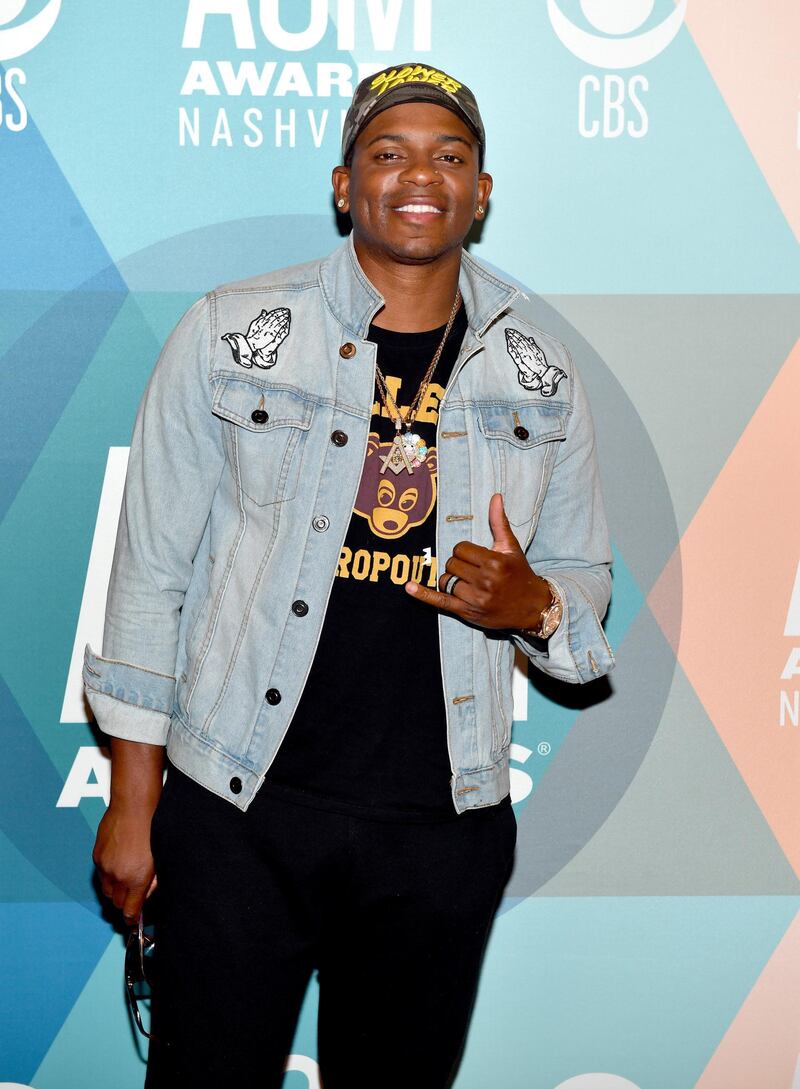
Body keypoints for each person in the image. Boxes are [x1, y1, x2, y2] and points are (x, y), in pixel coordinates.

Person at [85, 62, 614, 1089]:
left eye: (448, 156)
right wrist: (134, 801)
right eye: (389, 152)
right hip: (238, 806)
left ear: (482, 193)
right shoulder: (232, 335)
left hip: (438, 828)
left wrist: (534, 606)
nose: (420, 175)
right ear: (343, 185)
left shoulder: (536, 368)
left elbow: (579, 574)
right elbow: (151, 573)